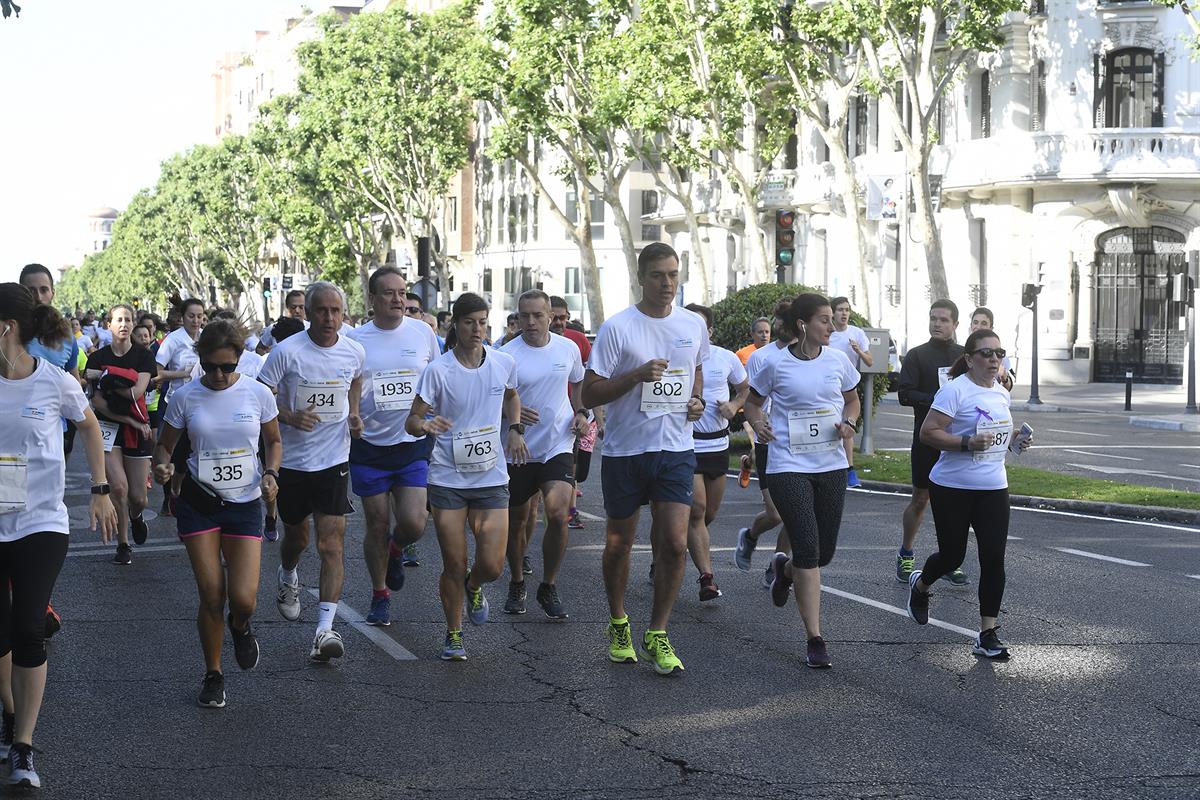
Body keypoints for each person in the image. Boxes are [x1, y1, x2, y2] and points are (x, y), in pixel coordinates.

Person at [0, 283, 117, 789]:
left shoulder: (54, 382)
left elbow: (89, 427)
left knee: (27, 627)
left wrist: (99, 488)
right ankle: (10, 716)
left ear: (5, 327)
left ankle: (23, 746)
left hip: (40, 522)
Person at [581, 243, 707, 676]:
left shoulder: (692, 324)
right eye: (658, 275)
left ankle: (657, 632)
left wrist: (696, 400)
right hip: (626, 451)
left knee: (674, 543)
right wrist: (635, 376)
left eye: (673, 274)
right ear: (641, 277)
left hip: (675, 449)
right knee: (619, 543)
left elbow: (696, 370)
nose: (667, 283)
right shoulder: (618, 328)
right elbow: (589, 392)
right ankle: (618, 621)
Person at [153, 320, 283, 707]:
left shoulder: (257, 393)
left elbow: (273, 440)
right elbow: (165, 447)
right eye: (211, 366)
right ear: (201, 360)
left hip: (244, 503)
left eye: (227, 366)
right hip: (200, 501)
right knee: (211, 593)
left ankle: (240, 626)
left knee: (244, 599)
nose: (219, 375)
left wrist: (272, 473)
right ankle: (213, 673)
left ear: (239, 359)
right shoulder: (185, 397)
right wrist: (162, 467)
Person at [406, 292, 526, 661]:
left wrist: (515, 428)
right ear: (454, 325)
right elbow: (411, 421)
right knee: (453, 563)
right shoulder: (438, 370)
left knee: (490, 564)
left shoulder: (503, 362)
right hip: (447, 478)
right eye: (470, 322)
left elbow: (511, 396)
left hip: (491, 475)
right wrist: (426, 425)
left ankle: (475, 586)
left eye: (483, 322)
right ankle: (454, 633)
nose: (477, 329)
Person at [744, 293, 860, 669]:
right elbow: (753, 403)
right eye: (824, 320)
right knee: (809, 548)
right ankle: (816, 638)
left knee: (822, 553)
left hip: (830, 463)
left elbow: (852, 400)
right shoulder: (774, 364)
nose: (831, 326)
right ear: (803, 325)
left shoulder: (838, 360)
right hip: (787, 464)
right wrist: (758, 422)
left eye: (831, 319)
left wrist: (850, 423)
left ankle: (785, 569)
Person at [906, 329, 1031, 659]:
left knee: (994, 559)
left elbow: (997, 437)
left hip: (993, 486)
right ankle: (921, 586)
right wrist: (964, 443)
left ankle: (987, 633)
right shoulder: (954, 391)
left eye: (998, 354)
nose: (993, 360)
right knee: (952, 557)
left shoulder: (1001, 392)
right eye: (986, 354)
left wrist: (1015, 439)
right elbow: (928, 433)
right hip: (952, 486)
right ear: (969, 359)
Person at [258, 282, 365, 662]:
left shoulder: (354, 350)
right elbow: (259, 394)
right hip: (291, 462)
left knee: (331, 544)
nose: (330, 318)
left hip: (334, 461)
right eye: (322, 310)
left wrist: (353, 412)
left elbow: (356, 379)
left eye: (336, 311)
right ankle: (288, 575)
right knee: (297, 540)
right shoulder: (287, 353)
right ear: (308, 313)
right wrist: (288, 416)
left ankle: (324, 630)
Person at [344, 268, 441, 627]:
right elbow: (348, 384)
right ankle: (379, 593)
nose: (398, 299)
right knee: (377, 522)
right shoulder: (355, 340)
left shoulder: (422, 333)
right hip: (368, 445)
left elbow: (437, 376)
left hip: (412, 441)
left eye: (402, 292)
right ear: (371, 299)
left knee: (414, 523)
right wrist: (352, 415)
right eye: (389, 293)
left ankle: (397, 548)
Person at [500, 290, 586, 619]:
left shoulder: (568, 348)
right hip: (519, 450)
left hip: (558, 443)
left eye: (538, 315)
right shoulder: (507, 355)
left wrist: (581, 412)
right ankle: (518, 581)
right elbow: (496, 398)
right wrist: (513, 416)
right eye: (525, 316)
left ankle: (548, 585)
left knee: (556, 511)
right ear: (517, 318)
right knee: (519, 521)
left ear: (551, 315)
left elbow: (578, 384)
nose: (531, 322)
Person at [661, 303, 748, 603]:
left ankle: (671, 543)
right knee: (697, 510)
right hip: (686, 443)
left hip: (718, 445)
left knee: (708, 513)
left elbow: (746, 388)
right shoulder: (676, 355)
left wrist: (735, 406)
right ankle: (707, 578)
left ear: (709, 331)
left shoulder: (726, 358)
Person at [896, 300, 967, 586]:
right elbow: (904, 394)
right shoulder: (916, 355)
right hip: (926, 438)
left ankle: (949, 559)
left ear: (955, 325)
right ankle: (906, 552)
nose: (937, 324)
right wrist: (938, 401)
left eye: (944, 320)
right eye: (933, 318)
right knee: (921, 499)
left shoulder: (964, 356)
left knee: (953, 504)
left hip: (956, 439)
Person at [86, 304, 157, 565]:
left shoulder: (143, 356)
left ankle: (136, 517)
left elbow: (136, 393)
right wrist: (126, 413)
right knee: (118, 487)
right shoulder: (97, 356)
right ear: (109, 325)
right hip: (109, 427)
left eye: (128, 319)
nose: (124, 324)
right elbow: (99, 403)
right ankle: (123, 543)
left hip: (139, 427)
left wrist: (107, 376)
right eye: (119, 319)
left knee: (138, 497)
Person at [733, 298, 795, 585]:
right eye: (778, 320)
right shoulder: (762, 357)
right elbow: (754, 401)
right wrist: (756, 432)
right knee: (776, 513)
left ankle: (777, 566)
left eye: (787, 319)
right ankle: (751, 535)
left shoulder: (817, 355)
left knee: (797, 514)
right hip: (769, 441)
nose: (780, 326)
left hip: (800, 444)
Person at [155, 297, 204, 512]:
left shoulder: (206, 338)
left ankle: (187, 494)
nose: (195, 321)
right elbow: (155, 372)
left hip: (202, 403)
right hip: (175, 402)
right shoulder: (173, 340)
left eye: (199, 316)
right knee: (172, 451)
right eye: (191, 316)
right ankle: (169, 497)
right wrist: (183, 373)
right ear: (182, 317)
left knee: (192, 451)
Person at [549, 296, 591, 529]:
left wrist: (583, 412)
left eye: (563, 318)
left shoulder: (577, 342)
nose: (558, 322)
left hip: (567, 422)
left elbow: (583, 379)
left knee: (573, 467)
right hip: (533, 426)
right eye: (554, 317)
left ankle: (569, 511)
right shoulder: (516, 347)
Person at [828, 297, 873, 488]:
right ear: (833, 313)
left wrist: (858, 350)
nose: (844, 313)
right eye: (840, 310)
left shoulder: (857, 333)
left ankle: (849, 469)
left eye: (847, 310)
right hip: (828, 387)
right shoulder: (827, 334)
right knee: (830, 427)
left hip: (848, 387)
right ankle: (831, 468)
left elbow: (869, 361)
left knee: (847, 426)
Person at [969, 307, 1015, 390]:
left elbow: (1008, 388)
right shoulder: (960, 352)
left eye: (984, 323)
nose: (978, 327)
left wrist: (1003, 375)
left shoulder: (998, 355)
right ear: (971, 325)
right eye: (975, 322)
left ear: (991, 328)